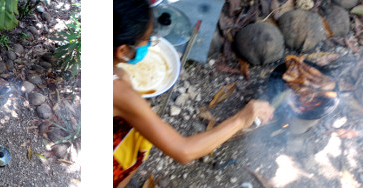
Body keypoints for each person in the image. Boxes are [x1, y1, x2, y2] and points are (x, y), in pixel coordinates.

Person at [112, 0, 273, 187]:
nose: (148, 44)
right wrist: (240, 120)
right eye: (146, 39)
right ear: (122, 50)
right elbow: (184, 151)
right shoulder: (120, 91)